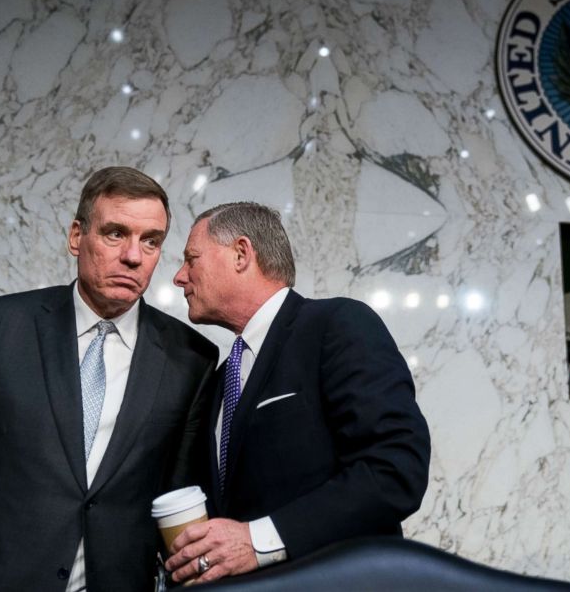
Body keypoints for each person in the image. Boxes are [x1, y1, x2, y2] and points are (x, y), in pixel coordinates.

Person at [0, 167, 219, 592]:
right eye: (115, 234)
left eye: (151, 241)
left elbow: (177, 504)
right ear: (77, 236)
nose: (134, 256)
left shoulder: (192, 359)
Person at [165, 202, 431, 584]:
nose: (179, 276)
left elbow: (395, 470)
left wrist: (257, 540)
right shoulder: (223, 375)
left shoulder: (337, 325)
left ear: (242, 254)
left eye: (191, 259)